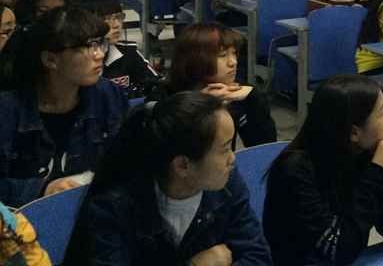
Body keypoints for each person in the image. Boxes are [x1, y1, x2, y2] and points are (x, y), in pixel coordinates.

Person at [64, 92, 271, 266]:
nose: (233, 159)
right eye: (225, 149)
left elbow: (258, 257)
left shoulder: (228, 184)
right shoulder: (115, 206)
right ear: (182, 165)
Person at [263, 75, 383, 266]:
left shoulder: (362, 153)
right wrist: (378, 171)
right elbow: (339, 252)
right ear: (354, 132)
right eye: (381, 112)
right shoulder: (294, 171)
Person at [0, 5, 128, 207]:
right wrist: (42, 189)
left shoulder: (108, 95)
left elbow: (126, 163)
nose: (99, 55)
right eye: (85, 47)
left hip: (91, 212)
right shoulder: (8, 110)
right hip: (23, 220)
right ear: (51, 60)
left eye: (100, 44)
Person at [165, 23, 277, 147]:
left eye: (234, 53)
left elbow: (264, 148)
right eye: (222, 55)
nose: (233, 62)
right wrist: (201, 107)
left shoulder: (235, 92)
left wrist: (254, 97)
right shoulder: (167, 99)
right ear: (195, 59)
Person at [80, 0, 161, 100]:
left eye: (119, 17)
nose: (117, 24)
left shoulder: (128, 52)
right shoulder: (74, 59)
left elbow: (157, 84)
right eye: (107, 19)